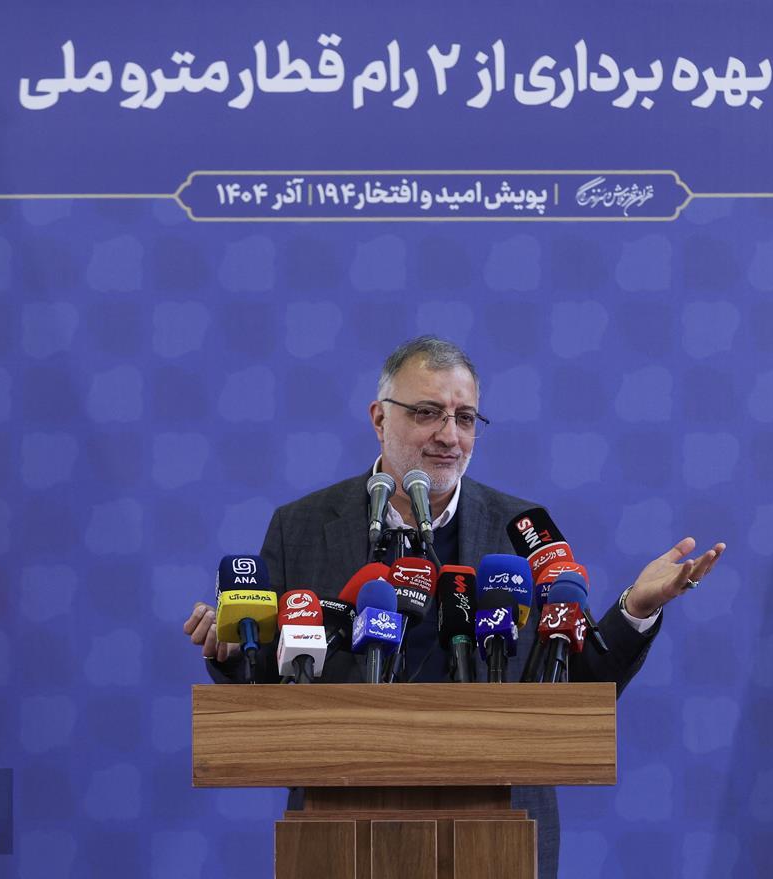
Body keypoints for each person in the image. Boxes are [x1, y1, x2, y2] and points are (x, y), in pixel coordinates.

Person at [182, 336, 725, 878]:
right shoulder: (301, 526)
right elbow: (273, 683)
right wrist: (231, 651)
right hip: (341, 828)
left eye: (465, 418)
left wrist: (635, 608)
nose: (449, 435)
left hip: (500, 834)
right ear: (379, 418)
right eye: (427, 413)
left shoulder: (522, 530)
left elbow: (574, 681)